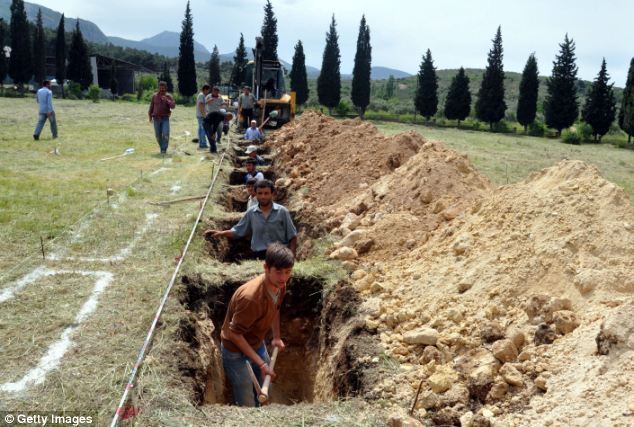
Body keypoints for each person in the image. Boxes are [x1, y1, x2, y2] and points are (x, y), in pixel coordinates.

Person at [220, 242, 293, 407]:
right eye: (278, 272)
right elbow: (234, 334)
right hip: (235, 351)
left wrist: (276, 337)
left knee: (266, 386)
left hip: (256, 342)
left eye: (287, 272)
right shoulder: (251, 298)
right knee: (245, 393)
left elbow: (276, 308)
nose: (283, 278)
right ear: (266, 267)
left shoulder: (279, 286)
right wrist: (260, 363)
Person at [204, 179, 298, 259]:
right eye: (260, 193)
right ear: (255, 194)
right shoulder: (251, 213)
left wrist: (291, 257)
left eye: (266, 193)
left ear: (272, 194)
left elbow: (292, 236)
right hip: (258, 255)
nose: (263, 196)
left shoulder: (282, 212)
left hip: (279, 256)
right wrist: (220, 233)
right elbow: (238, 231)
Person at [148, 81, 176, 154]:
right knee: (157, 136)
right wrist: (150, 116)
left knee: (165, 133)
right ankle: (162, 147)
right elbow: (151, 107)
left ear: (166, 88)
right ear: (158, 88)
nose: (162, 90)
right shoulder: (154, 96)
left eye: (163, 89)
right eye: (160, 88)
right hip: (156, 119)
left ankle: (163, 149)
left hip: (165, 118)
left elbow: (173, 106)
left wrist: (167, 100)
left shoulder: (169, 96)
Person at [203, 86, 227, 153]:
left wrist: (225, 103)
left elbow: (222, 103)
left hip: (217, 115)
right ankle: (212, 144)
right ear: (212, 91)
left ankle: (218, 139)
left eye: (217, 92)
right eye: (215, 91)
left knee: (218, 128)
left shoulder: (220, 97)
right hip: (210, 115)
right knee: (211, 130)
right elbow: (204, 103)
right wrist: (209, 101)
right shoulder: (208, 96)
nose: (216, 93)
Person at [196, 84, 211, 149]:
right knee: (203, 130)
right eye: (208, 90)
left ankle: (201, 144)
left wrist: (207, 102)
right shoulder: (201, 95)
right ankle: (203, 144)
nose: (208, 92)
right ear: (205, 89)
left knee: (200, 130)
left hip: (200, 115)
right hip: (201, 116)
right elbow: (201, 105)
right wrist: (205, 115)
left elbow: (203, 104)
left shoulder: (201, 95)